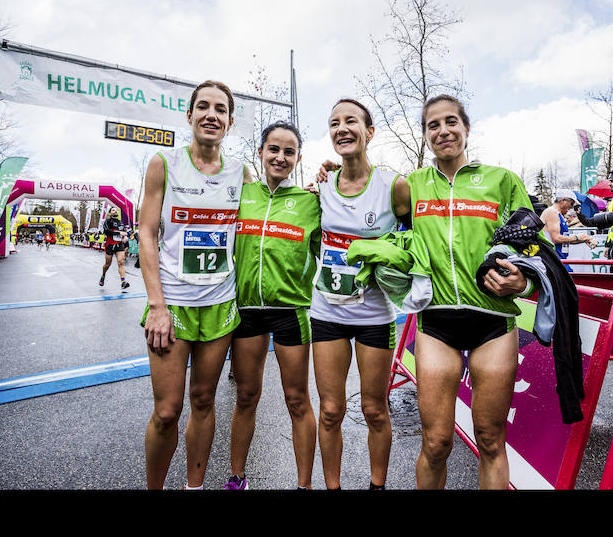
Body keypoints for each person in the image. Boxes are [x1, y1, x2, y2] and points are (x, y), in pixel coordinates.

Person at [406, 94, 541, 489]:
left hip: (493, 323)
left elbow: (537, 250)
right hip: (436, 323)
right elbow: (363, 197)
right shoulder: (410, 186)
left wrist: (525, 282)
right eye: (433, 125)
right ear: (425, 134)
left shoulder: (502, 180)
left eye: (451, 121)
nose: (443, 131)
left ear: (466, 127)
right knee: (436, 443)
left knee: (490, 439)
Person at [138, 80, 252, 490]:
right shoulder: (163, 164)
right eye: (203, 106)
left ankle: (195, 487)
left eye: (220, 109)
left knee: (204, 400)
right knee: (167, 411)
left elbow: (269, 213)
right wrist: (156, 305)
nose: (211, 115)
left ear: (230, 122)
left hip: (220, 304)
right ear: (189, 115)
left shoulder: (242, 172)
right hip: (172, 305)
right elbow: (146, 233)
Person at [310, 98, 411, 490]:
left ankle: (377, 486)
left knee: (374, 410)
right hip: (328, 313)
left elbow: (418, 238)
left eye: (351, 121)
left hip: (374, 316)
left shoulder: (394, 186)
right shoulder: (322, 186)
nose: (342, 128)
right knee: (330, 410)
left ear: (369, 132)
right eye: (334, 122)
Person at [225, 121, 322, 491]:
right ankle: (237, 478)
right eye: (274, 149)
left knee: (297, 400)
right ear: (261, 152)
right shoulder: (242, 194)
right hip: (247, 309)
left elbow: (335, 246)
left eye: (289, 151)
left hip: (290, 311)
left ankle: (304, 485)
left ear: (298, 157)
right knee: (246, 396)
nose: (280, 157)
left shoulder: (311, 202)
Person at [540, 190, 597, 271]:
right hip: (553, 259)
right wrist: (578, 237)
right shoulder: (552, 212)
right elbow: (556, 238)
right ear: (563, 201)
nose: (572, 207)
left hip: (559, 258)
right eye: (571, 203)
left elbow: (564, 239)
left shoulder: (558, 214)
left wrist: (585, 238)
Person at [99, 207, 130, 289]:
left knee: (121, 262)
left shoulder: (121, 222)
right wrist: (119, 233)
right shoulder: (107, 221)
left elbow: (124, 233)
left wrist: (125, 237)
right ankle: (103, 275)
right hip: (110, 245)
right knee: (107, 264)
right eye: (113, 210)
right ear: (110, 213)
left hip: (119, 245)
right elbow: (107, 231)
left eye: (116, 210)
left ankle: (123, 282)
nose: (115, 211)